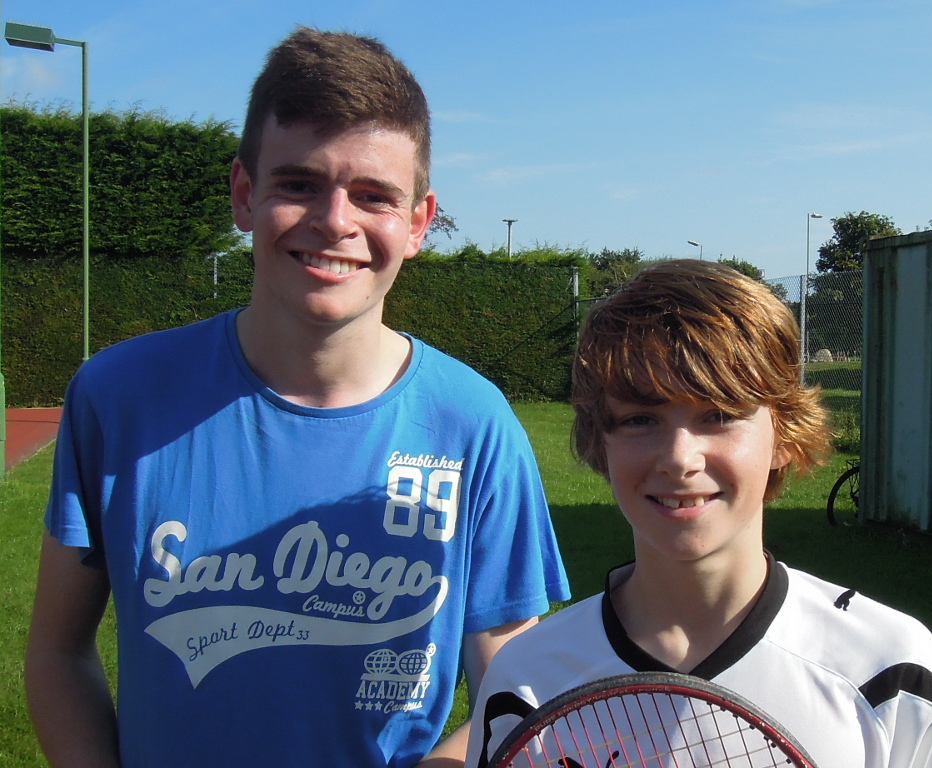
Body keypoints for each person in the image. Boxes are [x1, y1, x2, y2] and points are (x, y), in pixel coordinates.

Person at [25, 27, 569, 768]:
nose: (335, 221)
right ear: (245, 196)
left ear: (416, 223)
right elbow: (57, 652)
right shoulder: (117, 396)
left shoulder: (474, 426)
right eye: (300, 183)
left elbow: (517, 692)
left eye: (374, 196)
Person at [467, 260, 932, 768]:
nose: (679, 459)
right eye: (641, 419)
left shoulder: (891, 673)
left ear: (783, 434)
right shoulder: (528, 680)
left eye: (719, 415)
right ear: (600, 444)